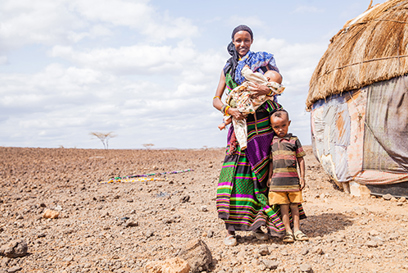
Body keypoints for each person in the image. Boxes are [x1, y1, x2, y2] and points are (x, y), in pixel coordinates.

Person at [213, 25, 305, 246]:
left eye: (246, 40)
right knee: (235, 175)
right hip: (241, 128)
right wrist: (229, 110)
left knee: (265, 175)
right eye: (238, 40)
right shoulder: (227, 69)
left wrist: (266, 90)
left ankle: (265, 224)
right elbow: (216, 99)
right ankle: (231, 230)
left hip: (264, 126)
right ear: (233, 42)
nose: (242, 44)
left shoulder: (263, 62)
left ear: (252, 41)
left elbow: (276, 83)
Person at [217, 66, 285, 150]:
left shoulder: (263, 69)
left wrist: (245, 68)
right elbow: (215, 100)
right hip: (245, 104)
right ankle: (240, 140)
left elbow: (249, 74)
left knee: (239, 120)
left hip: (245, 105)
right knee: (239, 120)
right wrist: (229, 110)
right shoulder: (229, 68)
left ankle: (226, 122)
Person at [268, 109, 308, 243]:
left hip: (293, 181)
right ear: (272, 127)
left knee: (294, 207)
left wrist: (302, 177)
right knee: (284, 208)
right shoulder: (272, 142)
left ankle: (297, 230)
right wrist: (269, 177)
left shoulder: (294, 140)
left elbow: (300, 159)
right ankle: (288, 232)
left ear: (289, 123)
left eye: (283, 125)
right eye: (276, 127)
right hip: (277, 183)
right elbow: (271, 161)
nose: (280, 129)